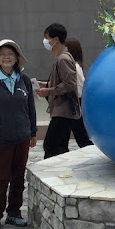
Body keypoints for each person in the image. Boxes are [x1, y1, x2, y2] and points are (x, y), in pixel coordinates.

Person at [0, 39, 37, 229]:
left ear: (16, 58)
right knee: (0, 177)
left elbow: (31, 108)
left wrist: (33, 132)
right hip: (0, 138)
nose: (6, 57)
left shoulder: (24, 80)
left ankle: (14, 213)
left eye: (10, 54)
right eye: (2, 54)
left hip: (22, 137)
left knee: (18, 177)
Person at [35, 23, 81, 158]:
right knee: (60, 145)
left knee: (50, 144)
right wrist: (46, 84)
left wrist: (49, 91)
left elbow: (70, 84)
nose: (45, 41)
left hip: (64, 110)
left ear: (55, 40)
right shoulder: (62, 57)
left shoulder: (63, 59)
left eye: (46, 38)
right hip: (62, 109)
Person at [64, 38, 93, 148]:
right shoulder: (76, 66)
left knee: (81, 135)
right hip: (77, 103)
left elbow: (79, 87)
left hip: (76, 103)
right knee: (80, 134)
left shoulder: (74, 67)